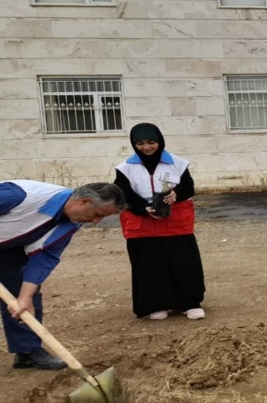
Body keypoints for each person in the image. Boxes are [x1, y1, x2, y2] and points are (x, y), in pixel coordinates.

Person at [1, 181, 125, 369]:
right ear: (84, 201)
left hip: (9, 248)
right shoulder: (19, 196)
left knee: (22, 293)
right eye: (98, 214)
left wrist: (25, 297)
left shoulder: (72, 223)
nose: (96, 222)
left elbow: (45, 256)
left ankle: (27, 352)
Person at [114, 123, 206, 321]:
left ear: (160, 141)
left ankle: (189, 303)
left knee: (182, 262)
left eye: (151, 142)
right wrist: (143, 208)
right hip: (143, 223)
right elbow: (123, 194)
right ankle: (155, 304)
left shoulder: (178, 163)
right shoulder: (125, 168)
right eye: (140, 143)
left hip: (175, 223)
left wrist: (176, 194)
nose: (146, 147)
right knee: (150, 264)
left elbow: (188, 188)